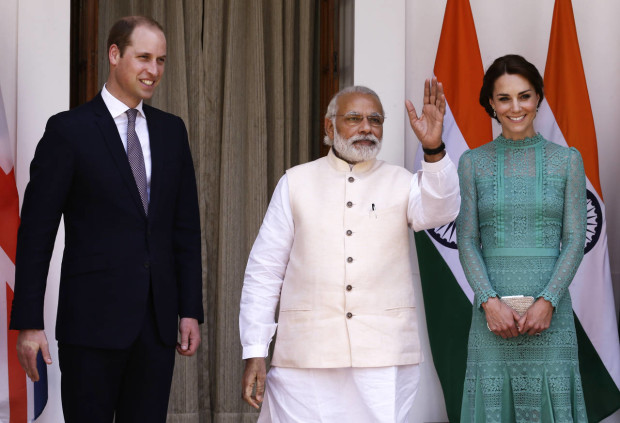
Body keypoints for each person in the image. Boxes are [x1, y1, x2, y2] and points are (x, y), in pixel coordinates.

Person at [9, 16, 203, 423]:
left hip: (156, 325)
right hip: (91, 325)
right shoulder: (69, 131)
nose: (154, 70)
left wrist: (189, 309)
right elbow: (36, 232)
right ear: (115, 55)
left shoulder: (172, 131)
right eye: (144, 57)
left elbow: (184, 229)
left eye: (162, 60)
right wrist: (28, 323)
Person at [239, 80, 460, 422]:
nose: (366, 128)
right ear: (330, 126)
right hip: (306, 355)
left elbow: (441, 211)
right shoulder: (295, 182)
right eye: (354, 118)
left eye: (375, 120)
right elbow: (265, 270)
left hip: (383, 355)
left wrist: (434, 151)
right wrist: (255, 349)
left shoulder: (402, 181)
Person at [456, 54, 587, 422]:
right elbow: (466, 239)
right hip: (491, 317)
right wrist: (489, 303)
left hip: (552, 314)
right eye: (504, 98)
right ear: (491, 105)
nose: (516, 108)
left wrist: (548, 301)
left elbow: (575, 238)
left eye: (525, 96)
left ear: (539, 99)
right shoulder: (472, 162)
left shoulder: (567, 161)